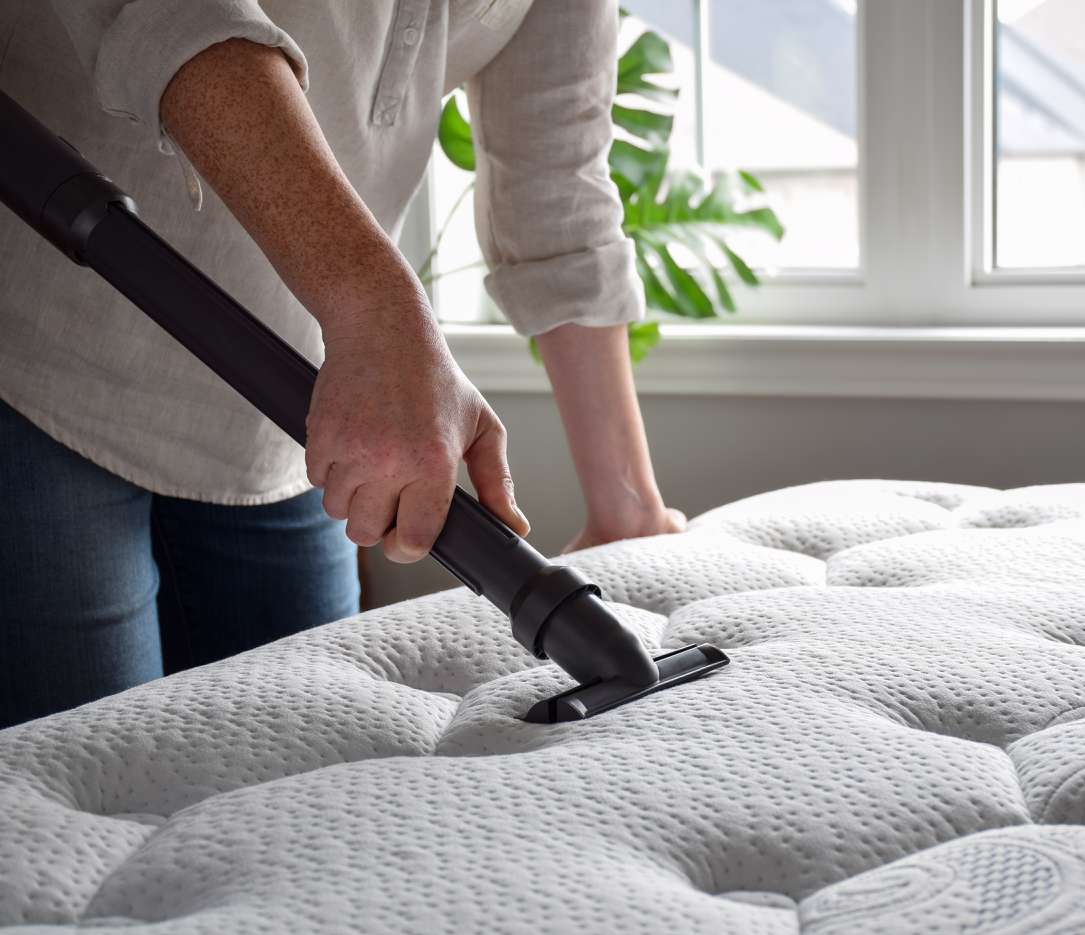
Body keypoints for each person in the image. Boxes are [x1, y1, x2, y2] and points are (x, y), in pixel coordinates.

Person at [0, 0, 684, 728]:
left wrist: (625, 504)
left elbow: (558, 185)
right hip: (46, 369)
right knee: (84, 778)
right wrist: (380, 312)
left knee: (309, 783)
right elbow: (179, 15)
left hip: (286, 419)